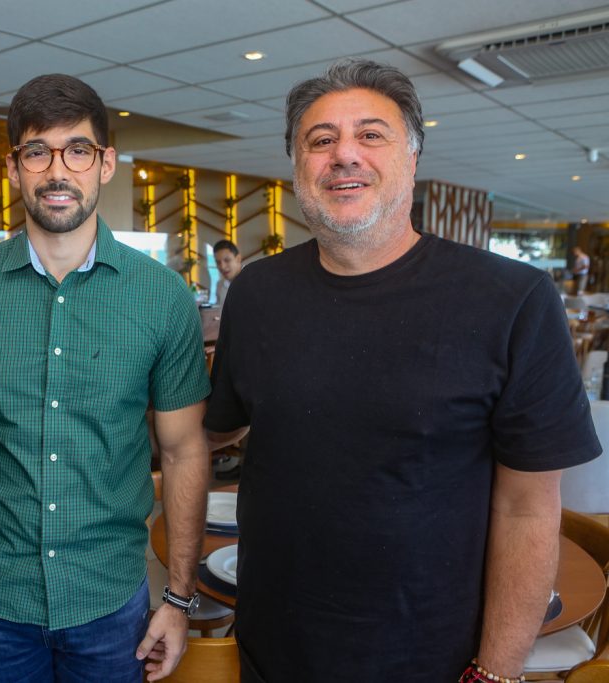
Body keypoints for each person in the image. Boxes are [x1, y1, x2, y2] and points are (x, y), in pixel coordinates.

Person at [204, 59, 601, 682]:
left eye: (370, 134)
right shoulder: (258, 292)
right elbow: (213, 430)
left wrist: (497, 672)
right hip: (272, 641)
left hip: (432, 656)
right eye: (321, 140)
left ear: (412, 157)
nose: (344, 156)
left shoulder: (513, 299)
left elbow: (528, 507)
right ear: (297, 167)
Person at [0, 74, 211, 683]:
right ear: (15, 168)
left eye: (78, 149)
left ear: (106, 164)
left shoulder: (162, 299)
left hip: (107, 595)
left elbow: (182, 451)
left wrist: (178, 600)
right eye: (37, 151)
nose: (57, 170)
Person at [212, 239, 242, 305]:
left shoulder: (252, 280)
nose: (222, 267)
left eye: (227, 260)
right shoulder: (220, 285)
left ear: (238, 259)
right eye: (218, 262)